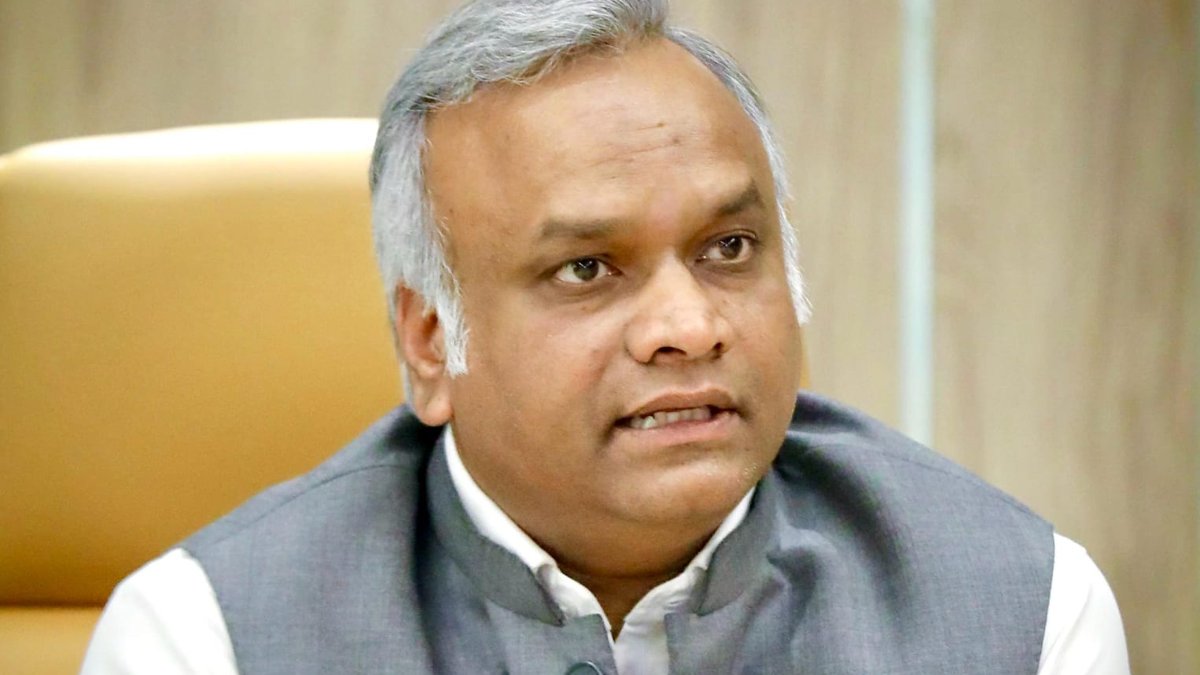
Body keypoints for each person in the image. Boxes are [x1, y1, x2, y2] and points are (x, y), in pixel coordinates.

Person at [82, 1, 1129, 673]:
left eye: (728, 248)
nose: (689, 326)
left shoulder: (1022, 611)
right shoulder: (205, 639)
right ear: (432, 341)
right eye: (587, 268)